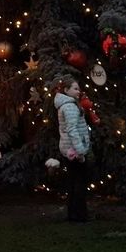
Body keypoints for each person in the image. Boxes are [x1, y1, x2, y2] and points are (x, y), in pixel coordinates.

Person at [54, 77, 92, 222]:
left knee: (72, 181)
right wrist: (80, 150)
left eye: (78, 88)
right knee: (79, 182)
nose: (78, 91)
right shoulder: (69, 107)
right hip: (74, 150)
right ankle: (80, 215)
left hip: (68, 148)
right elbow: (72, 130)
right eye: (75, 88)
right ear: (66, 90)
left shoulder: (67, 105)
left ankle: (73, 213)